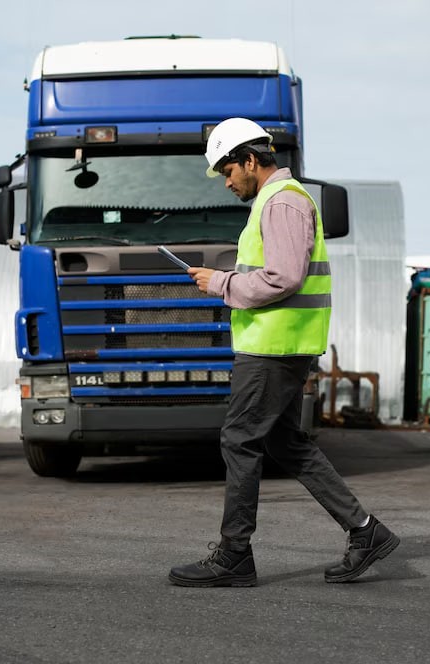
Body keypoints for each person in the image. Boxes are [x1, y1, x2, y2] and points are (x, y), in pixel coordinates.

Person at [168, 118, 399, 588]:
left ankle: (234, 555)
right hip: (279, 344)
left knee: (239, 441)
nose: (226, 181)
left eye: (228, 170)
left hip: (274, 349)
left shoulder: (283, 202)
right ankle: (365, 530)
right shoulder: (278, 202)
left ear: (251, 160)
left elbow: (285, 277)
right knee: (284, 443)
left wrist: (221, 283)